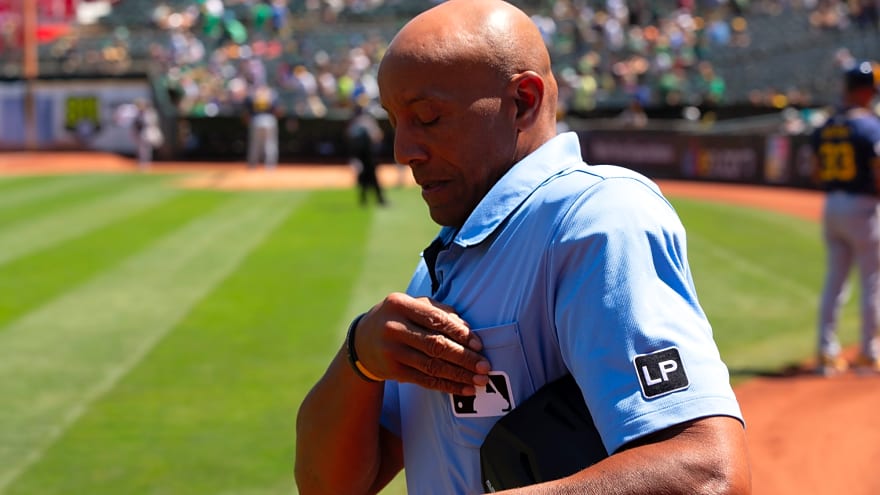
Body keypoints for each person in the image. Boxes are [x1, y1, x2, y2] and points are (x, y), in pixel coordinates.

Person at [295, 1, 751, 494]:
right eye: (394, 121)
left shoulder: (597, 218)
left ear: (523, 101)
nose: (404, 150)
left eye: (427, 117)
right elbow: (328, 486)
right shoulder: (439, 267)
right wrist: (358, 355)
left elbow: (708, 472)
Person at [812, 60, 880, 376]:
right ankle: (868, 353)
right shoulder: (869, 125)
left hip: (832, 204)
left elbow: (815, 170)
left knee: (834, 284)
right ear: (866, 91)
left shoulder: (826, 124)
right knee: (872, 283)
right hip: (863, 207)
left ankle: (826, 354)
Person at [345, 100, 387, 206]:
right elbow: (377, 136)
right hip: (369, 155)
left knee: (364, 176)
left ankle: (365, 199)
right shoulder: (366, 120)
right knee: (370, 176)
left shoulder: (355, 121)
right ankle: (378, 199)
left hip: (362, 155)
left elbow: (348, 137)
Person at [243, 84, 281, 169]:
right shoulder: (271, 95)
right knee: (270, 144)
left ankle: (252, 165)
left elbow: (247, 112)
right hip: (269, 119)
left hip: (256, 119)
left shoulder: (254, 95)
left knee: (255, 144)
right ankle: (270, 166)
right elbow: (278, 110)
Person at [131, 98, 163, 169]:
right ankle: (142, 163)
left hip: (147, 132)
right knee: (141, 149)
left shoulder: (149, 113)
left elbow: (152, 123)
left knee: (147, 149)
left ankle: (146, 163)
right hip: (139, 133)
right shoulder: (137, 113)